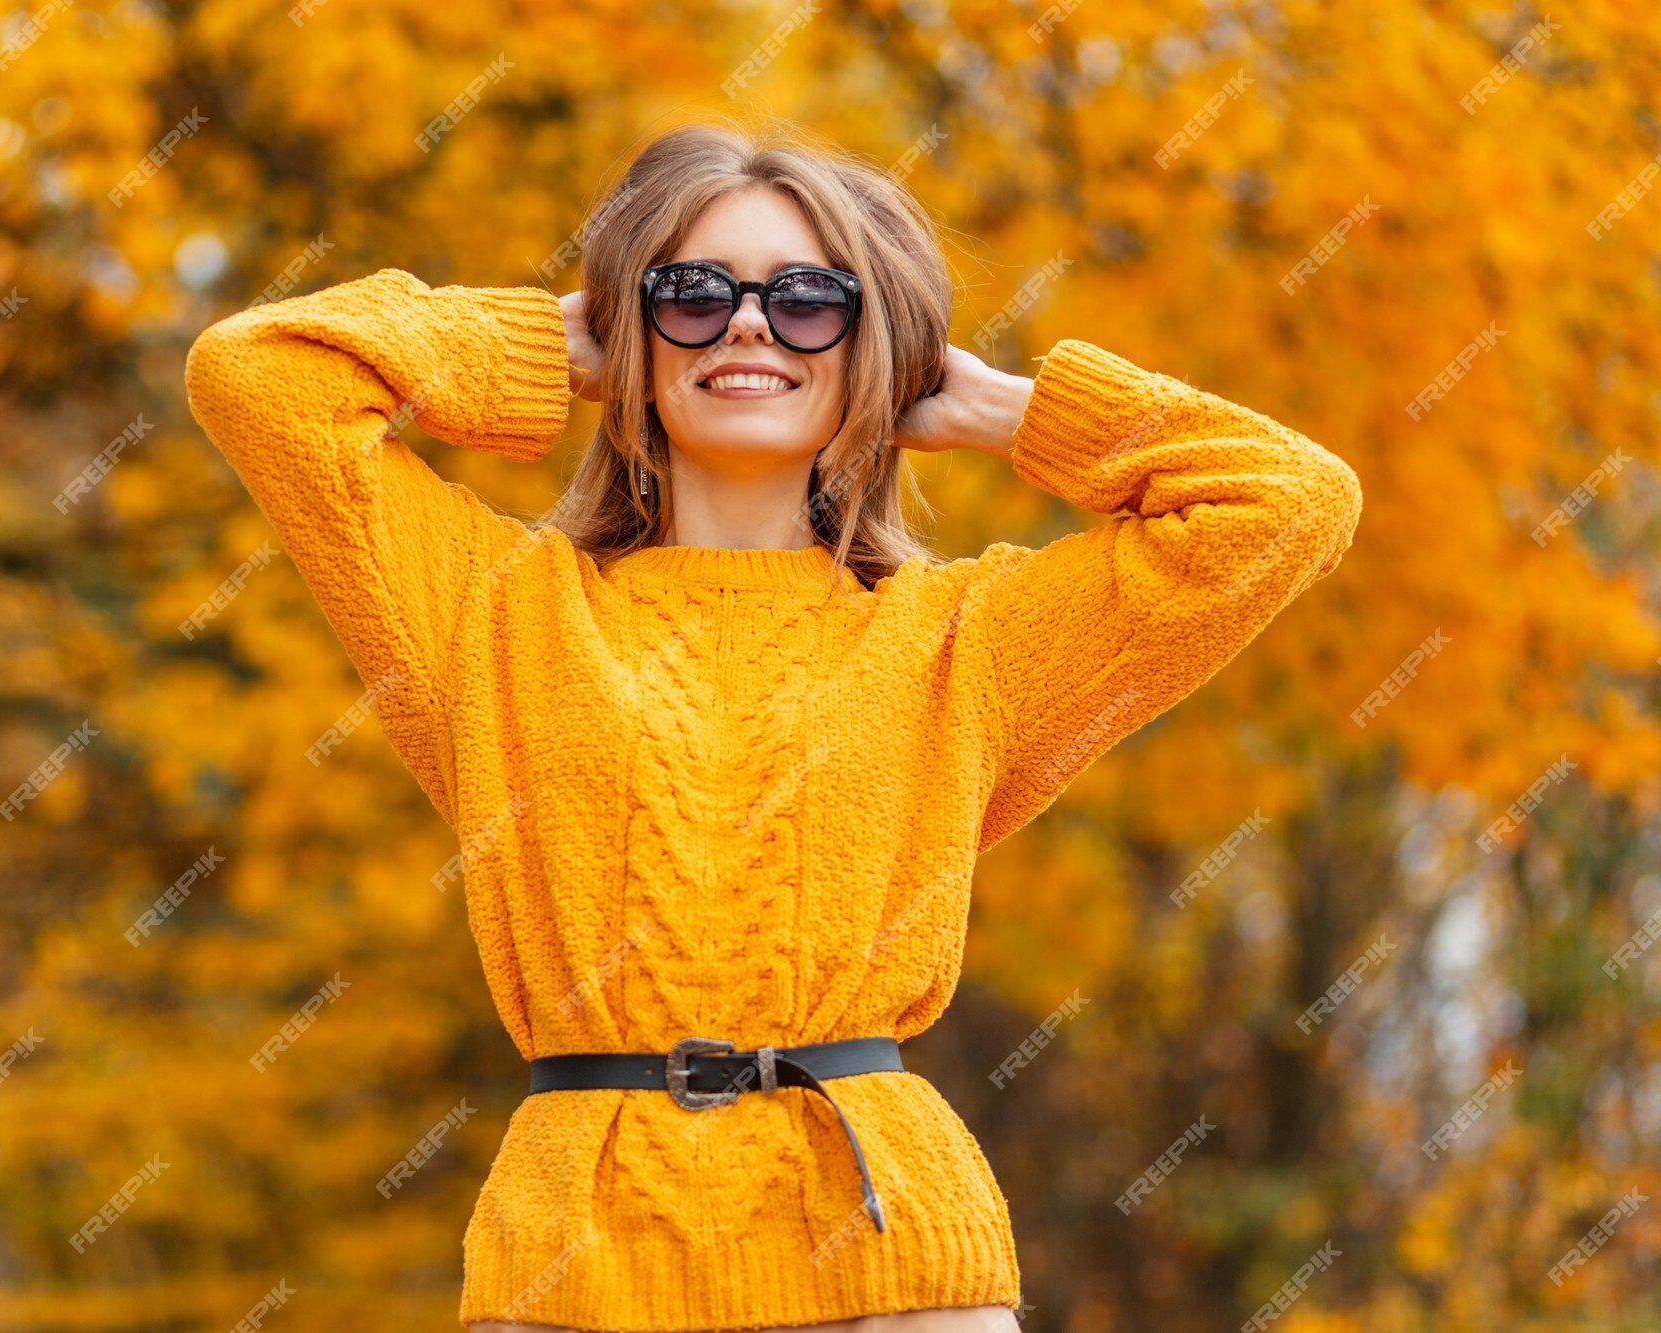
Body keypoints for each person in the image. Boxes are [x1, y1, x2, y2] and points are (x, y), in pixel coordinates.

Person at [183, 119, 1361, 1333]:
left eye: (810, 300)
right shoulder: (492, 616)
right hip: (574, 1261)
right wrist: (544, 342)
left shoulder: (965, 639)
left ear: (879, 346)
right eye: (690, 293)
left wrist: (1005, 411)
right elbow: (260, 376)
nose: (748, 324)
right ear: (629, 333)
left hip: (892, 1263)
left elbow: (1285, 503)